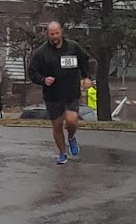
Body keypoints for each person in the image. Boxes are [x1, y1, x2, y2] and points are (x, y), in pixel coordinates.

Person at [27, 21, 92, 165]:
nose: (55, 36)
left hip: (71, 92)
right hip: (52, 95)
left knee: (71, 120)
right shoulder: (41, 52)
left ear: (61, 32)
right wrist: (43, 80)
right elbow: (32, 72)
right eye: (52, 34)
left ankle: (71, 137)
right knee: (56, 126)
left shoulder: (73, 47)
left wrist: (86, 77)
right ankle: (62, 153)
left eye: (57, 33)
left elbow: (85, 61)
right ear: (48, 34)